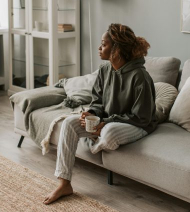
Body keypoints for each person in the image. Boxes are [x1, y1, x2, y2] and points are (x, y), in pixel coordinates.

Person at [43, 23, 158, 205]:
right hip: (108, 122)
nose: (99, 48)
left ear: (117, 49)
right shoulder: (104, 70)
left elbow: (141, 116)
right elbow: (97, 100)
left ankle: (97, 143)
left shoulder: (140, 76)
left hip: (138, 125)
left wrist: (104, 123)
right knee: (69, 123)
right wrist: (91, 113)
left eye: (103, 44)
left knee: (109, 132)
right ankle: (64, 183)